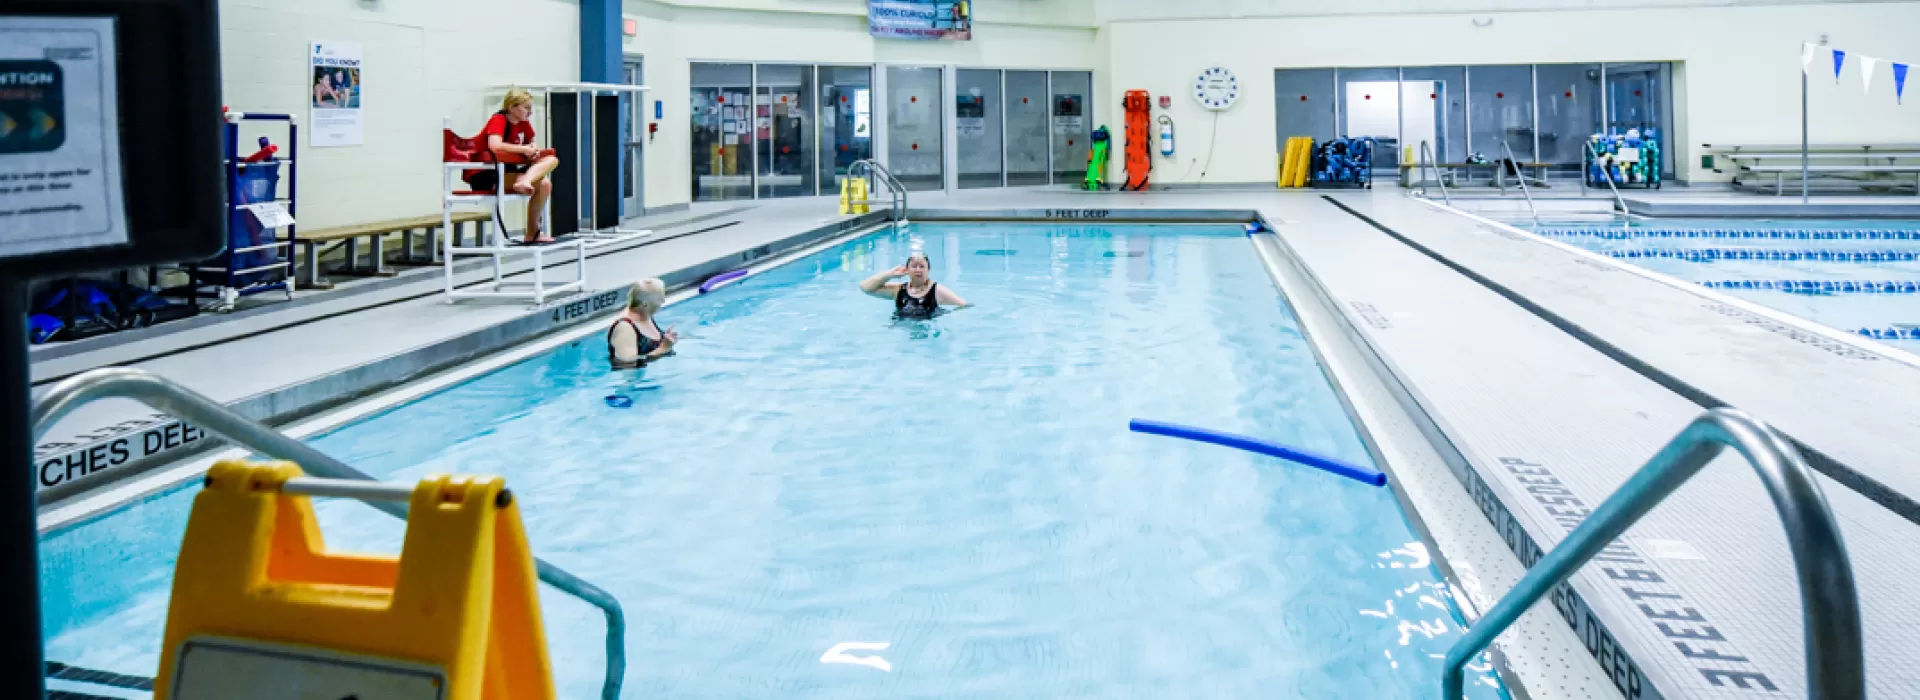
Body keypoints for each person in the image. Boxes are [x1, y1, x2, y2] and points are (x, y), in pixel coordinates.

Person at [480, 88, 562, 243]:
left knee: (550, 166)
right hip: (490, 175)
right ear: (512, 107)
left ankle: (532, 233)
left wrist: (533, 150)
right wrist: (523, 149)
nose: (530, 112)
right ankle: (524, 180)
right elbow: (494, 145)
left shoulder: (524, 124)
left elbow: (531, 142)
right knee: (543, 183)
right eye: (526, 108)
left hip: (511, 173)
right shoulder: (498, 120)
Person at [860, 252, 967, 318]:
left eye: (922, 266)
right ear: (907, 270)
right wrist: (889, 274)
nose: (918, 270)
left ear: (928, 269)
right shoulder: (898, 289)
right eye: (914, 266)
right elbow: (865, 287)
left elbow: (964, 306)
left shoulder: (937, 290)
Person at [609, 279, 677, 368]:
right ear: (645, 304)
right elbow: (626, 364)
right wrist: (663, 348)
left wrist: (666, 340)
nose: (663, 301)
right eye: (659, 298)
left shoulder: (645, 314)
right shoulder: (625, 327)